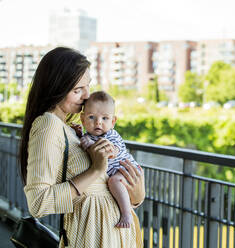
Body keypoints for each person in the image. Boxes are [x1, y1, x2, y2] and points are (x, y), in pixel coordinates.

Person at [19, 47, 145, 247]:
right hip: (91, 239)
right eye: (78, 90)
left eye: (87, 87)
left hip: (111, 236)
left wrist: (136, 195)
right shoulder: (48, 126)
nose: (87, 96)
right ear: (56, 88)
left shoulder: (71, 130)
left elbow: (101, 189)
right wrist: (96, 169)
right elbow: (38, 203)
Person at [77, 90, 140, 228]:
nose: (98, 122)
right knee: (113, 182)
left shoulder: (111, 135)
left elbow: (111, 152)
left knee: (114, 181)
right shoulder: (88, 136)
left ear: (113, 121)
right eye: (92, 117)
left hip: (124, 169)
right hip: (115, 172)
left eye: (105, 118)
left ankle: (126, 213)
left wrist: (92, 146)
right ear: (82, 119)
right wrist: (81, 137)